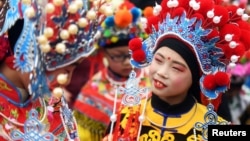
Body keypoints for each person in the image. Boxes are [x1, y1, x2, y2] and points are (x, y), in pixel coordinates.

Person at [103, 0, 250, 140]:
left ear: (197, 77)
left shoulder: (218, 129)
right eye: (158, 60)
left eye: (176, 68)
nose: (161, 72)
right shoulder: (126, 117)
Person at [0, 0, 107, 140]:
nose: (66, 80)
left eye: (72, 69)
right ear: (27, 58)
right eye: (63, 70)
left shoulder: (51, 99)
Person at [73, 1, 152, 140]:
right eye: (118, 56)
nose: (128, 61)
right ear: (103, 53)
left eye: (132, 54)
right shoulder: (91, 93)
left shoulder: (154, 78)